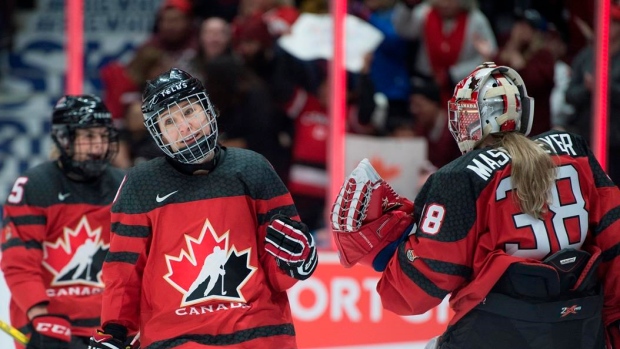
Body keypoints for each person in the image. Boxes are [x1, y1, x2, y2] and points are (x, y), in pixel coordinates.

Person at [331, 62, 620, 349]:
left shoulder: (459, 178)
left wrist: (388, 252)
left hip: (494, 334)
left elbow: (412, 294)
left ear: (471, 118)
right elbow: (614, 246)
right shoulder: (575, 151)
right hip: (579, 331)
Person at [87, 68, 318, 349]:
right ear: (157, 132)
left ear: (209, 110)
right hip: (175, 341)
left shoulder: (253, 168)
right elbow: (124, 271)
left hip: (258, 337)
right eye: (169, 120)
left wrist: (294, 263)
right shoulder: (141, 184)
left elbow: (279, 270)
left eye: (189, 111)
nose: (184, 127)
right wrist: (115, 330)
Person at [0, 95, 124, 349]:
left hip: (106, 329)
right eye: (89, 137)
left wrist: (126, 323)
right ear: (65, 139)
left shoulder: (123, 185)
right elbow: (19, 262)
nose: (99, 145)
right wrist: (40, 316)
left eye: (103, 136)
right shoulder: (35, 186)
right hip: (47, 325)